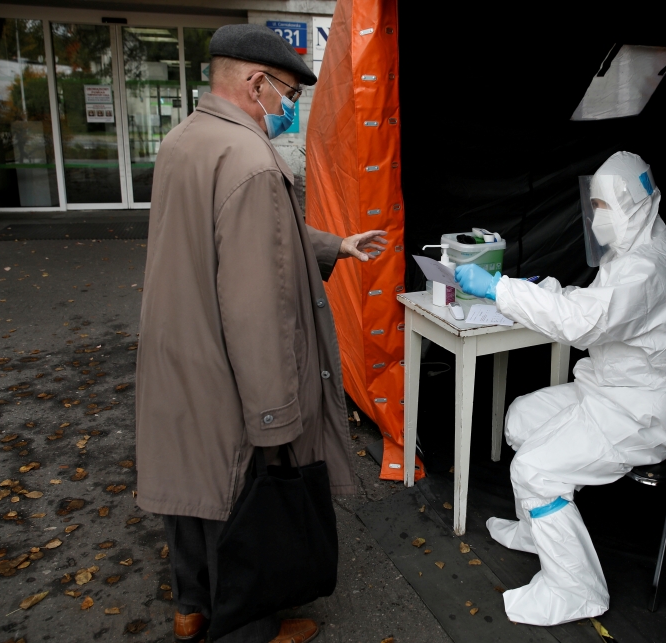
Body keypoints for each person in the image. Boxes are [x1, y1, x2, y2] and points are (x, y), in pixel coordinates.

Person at [134, 24, 386, 643]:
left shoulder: (185, 140)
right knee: (237, 499)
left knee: (190, 490)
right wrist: (275, 416)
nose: (291, 109)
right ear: (256, 82)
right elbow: (258, 304)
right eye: (290, 96)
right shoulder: (250, 161)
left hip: (176, 350)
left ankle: (191, 608)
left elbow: (228, 238)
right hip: (228, 365)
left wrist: (336, 246)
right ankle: (245, 630)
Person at [455, 151, 666, 626]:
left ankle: (576, 588)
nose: (595, 216)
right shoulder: (638, 246)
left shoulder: (646, 267)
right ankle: (537, 530)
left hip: (642, 413)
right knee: (522, 416)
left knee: (535, 470)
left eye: (603, 207)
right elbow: (595, 307)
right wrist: (539, 290)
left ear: (632, 206)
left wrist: (500, 289)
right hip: (610, 390)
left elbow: (585, 323)